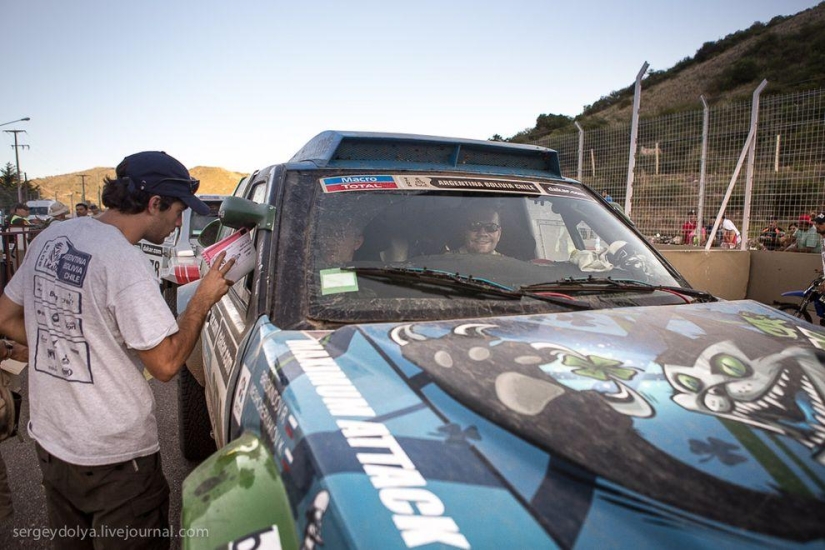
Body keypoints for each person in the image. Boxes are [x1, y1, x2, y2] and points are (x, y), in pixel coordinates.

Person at [0, 151, 235, 548]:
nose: (179, 223)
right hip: (117, 461)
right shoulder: (125, 263)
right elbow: (165, 363)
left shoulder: (54, 237)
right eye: (177, 211)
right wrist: (201, 299)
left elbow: (5, 317)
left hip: (54, 446)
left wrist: (65, 343)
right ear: (153, 203)